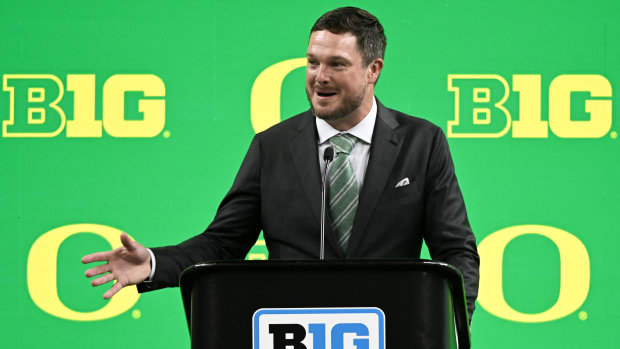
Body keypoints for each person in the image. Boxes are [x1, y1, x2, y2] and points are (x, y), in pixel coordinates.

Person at [83, 7, 480, 319]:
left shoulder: (421, 142)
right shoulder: (271, 147)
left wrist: (448, 329)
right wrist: (153, 263)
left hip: (392, 330)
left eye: (337, 64)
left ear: (373, 70)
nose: (319, 77)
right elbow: (223, 244)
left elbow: (456, 251)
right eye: (312, 62)